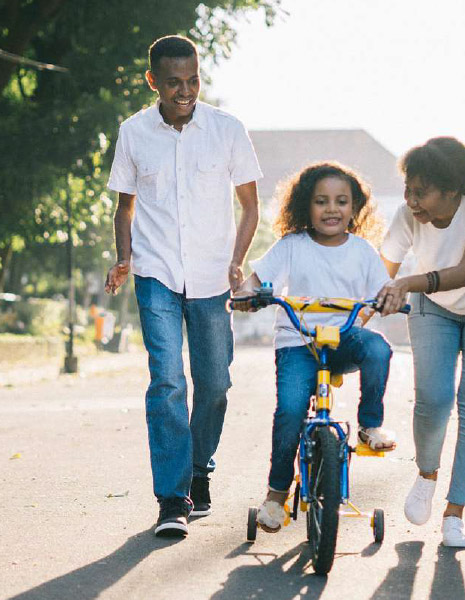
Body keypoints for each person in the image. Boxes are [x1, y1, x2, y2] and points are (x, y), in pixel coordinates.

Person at [104, 35, 262, 538]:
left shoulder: (227, 129)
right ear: (153, 81)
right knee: (168, 381)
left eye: (193, 80)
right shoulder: (133, 133)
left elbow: (250, 205)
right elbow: (124, 206)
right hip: (156, 274)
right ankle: (172, 497)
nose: (186, 90)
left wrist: (238, 261)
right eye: (174, 82)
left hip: (213, 276)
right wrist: (124, 258)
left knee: (215, 384)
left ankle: (199, 469)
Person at [235, 162, 397, 532]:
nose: (331, 209)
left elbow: (382, 291)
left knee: (378, 349)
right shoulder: (292, 246)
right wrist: (247, 294)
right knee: (291, 411)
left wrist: (389, 299)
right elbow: (256, 280)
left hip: (343, 340)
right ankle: (276, 495)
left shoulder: (362, 251)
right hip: (298, 343)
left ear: (354, 208)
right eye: (321, 201)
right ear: (305, 207)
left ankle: (370, 425)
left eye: (341, 201)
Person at [377, 137, 465, 548]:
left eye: (421, 192)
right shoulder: (408, 215)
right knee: (434, 398)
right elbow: (378, 273)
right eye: (408, 189)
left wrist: (405, 282)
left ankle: (455, 514)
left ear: (453, 190)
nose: (411, 201)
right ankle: (426, 474)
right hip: (434, 308)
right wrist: (357, 313)